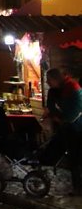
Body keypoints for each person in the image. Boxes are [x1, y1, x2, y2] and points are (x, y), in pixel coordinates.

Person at [45, 67, 82, 196]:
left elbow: (73, 113)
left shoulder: (72, 87)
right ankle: (77, 187)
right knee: (74, 159)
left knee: (76, 159)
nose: (47, 82)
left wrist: (60, 119)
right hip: (70, 128)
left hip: (77, 128)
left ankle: (79, 188)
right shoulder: (57, 90)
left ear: (56, 79)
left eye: (49, 80)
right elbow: (51, 107)